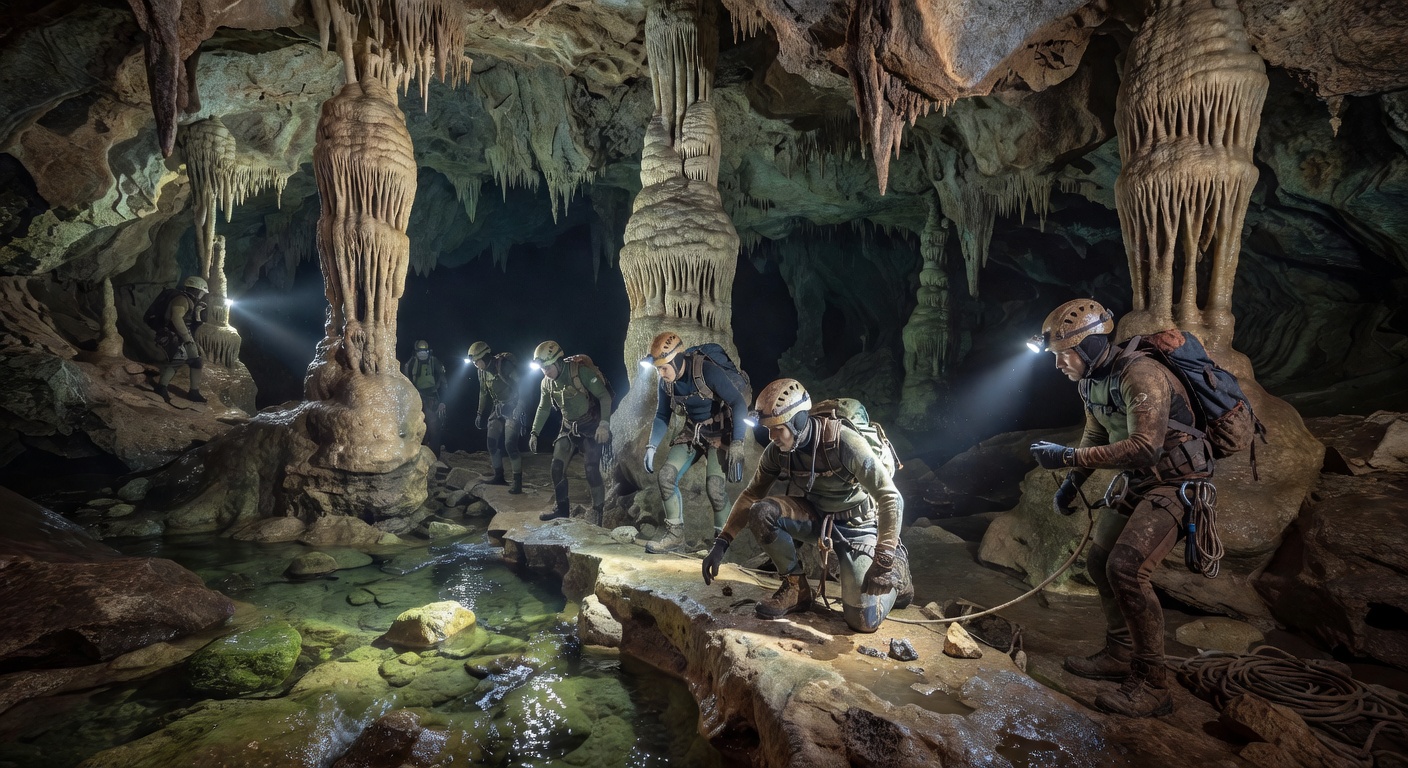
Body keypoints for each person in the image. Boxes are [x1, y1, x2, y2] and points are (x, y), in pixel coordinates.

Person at [1028, 298, 1214, 718]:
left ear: (1090, 346)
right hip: (1142, 481)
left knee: (1126, 569)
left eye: (1064, 355)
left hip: (1178, 482)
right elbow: (1095, 435)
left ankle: (1153, 684)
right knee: (1099, 562)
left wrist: (1067, 459)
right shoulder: (1090, 382)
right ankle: (1119, 654)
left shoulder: (1140, 374)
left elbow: (1145, 447)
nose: (1059, 365)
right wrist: (1070, 485)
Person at [701, 379, 910, 633]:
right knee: (762, 512)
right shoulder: (777, 451)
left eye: (778, 428)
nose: (772, 436)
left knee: (862, 622)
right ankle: (795, 588)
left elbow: (890, 497)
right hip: (818, 518)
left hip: (858, 525)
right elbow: (751, 495)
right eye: (768, 429)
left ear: (798, 421)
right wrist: (721, 543)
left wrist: (885, 558)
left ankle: (899, 579)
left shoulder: (843, 442)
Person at [641, 332, 750, 554]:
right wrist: (651, 446)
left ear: (677, 359)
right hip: (693, 431)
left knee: (715, 489)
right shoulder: (667, 384)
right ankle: (674, 536)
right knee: (666, 477)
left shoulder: (706, 371)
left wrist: (738, 442)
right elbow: (662, 415)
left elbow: (738, 403)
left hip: (720, 433)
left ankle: (722, 547)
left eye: (664, 368)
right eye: (658, 369)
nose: (662, 374)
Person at [528, 340, 613, 523]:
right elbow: (543, 408)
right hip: (568, 427)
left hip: (591, 426)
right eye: (542, 368)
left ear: (558, 362)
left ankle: (599, 511)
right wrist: (534, 432)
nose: (545, 372)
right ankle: (562, 509)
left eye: (548, 367)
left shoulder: (580, 372)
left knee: (591, 470)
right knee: (556, 467)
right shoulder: (547, 383)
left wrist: (604, 425)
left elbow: (604, 396)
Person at [470, 341, 525, 494]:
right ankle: (499, 477)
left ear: (484, 357)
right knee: (491, 443)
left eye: (477, 361)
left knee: (510, 445)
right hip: (498, 409)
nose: (476, 365)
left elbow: (523, 386)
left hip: (512, 407)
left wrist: (519, 409)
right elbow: (483, 393)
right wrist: (479, 413)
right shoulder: (481, 371)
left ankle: (517, 483)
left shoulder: (504, 366)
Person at [154, 275, 209, 403]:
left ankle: (193, 392)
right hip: (175, 336)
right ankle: (161, 388)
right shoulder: (181, 300)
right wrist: (187, 338)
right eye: (201, 292)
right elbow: (176, 318)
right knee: (177, 362)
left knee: (196, 361)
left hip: (182, 335)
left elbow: (190, 321)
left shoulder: (188, 300)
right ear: (196, 290)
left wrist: (198, 312)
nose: (202, 295)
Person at [403, 339, 447, 451]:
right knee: (418, 427)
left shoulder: (434, 362)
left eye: (425, 351)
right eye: (420, 351)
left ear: (428, 351)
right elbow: (406, 384)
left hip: (433, 398)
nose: (423, 353)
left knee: (435, 428)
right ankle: (420, 453)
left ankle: (435, 456)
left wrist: (443, 401)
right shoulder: (411, 364)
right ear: (416, 352)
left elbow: (443, 382)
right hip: (418, 398)